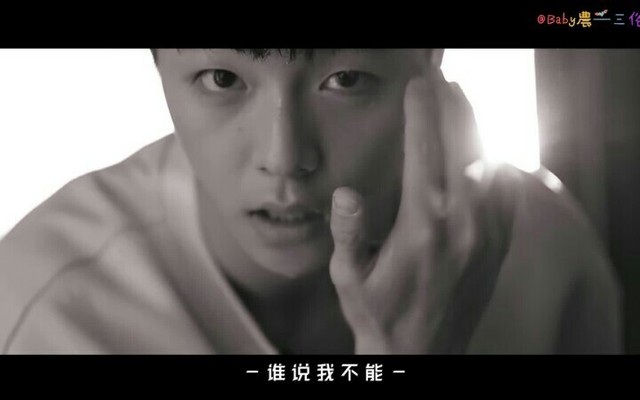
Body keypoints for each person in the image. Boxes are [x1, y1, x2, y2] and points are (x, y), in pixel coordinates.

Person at [0, 49, 622, 354]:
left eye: (346, 79)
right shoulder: (43, 318)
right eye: (223, 79)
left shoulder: (545, 257)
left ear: (432, 59)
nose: (285, 156)